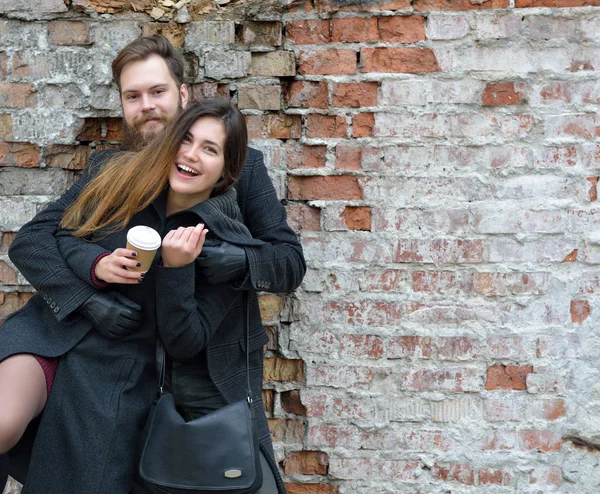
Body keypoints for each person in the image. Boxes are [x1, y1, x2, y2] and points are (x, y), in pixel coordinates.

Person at [1, 35, 304, 490]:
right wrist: (91, 282)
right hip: (74, 332)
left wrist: (226, 260)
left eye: (157, 92)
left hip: (174, 346)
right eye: (132, 96)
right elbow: (47, 237)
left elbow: (287, 260)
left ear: (182, 96)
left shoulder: (240, 168)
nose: (146, 106)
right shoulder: (111, 168)